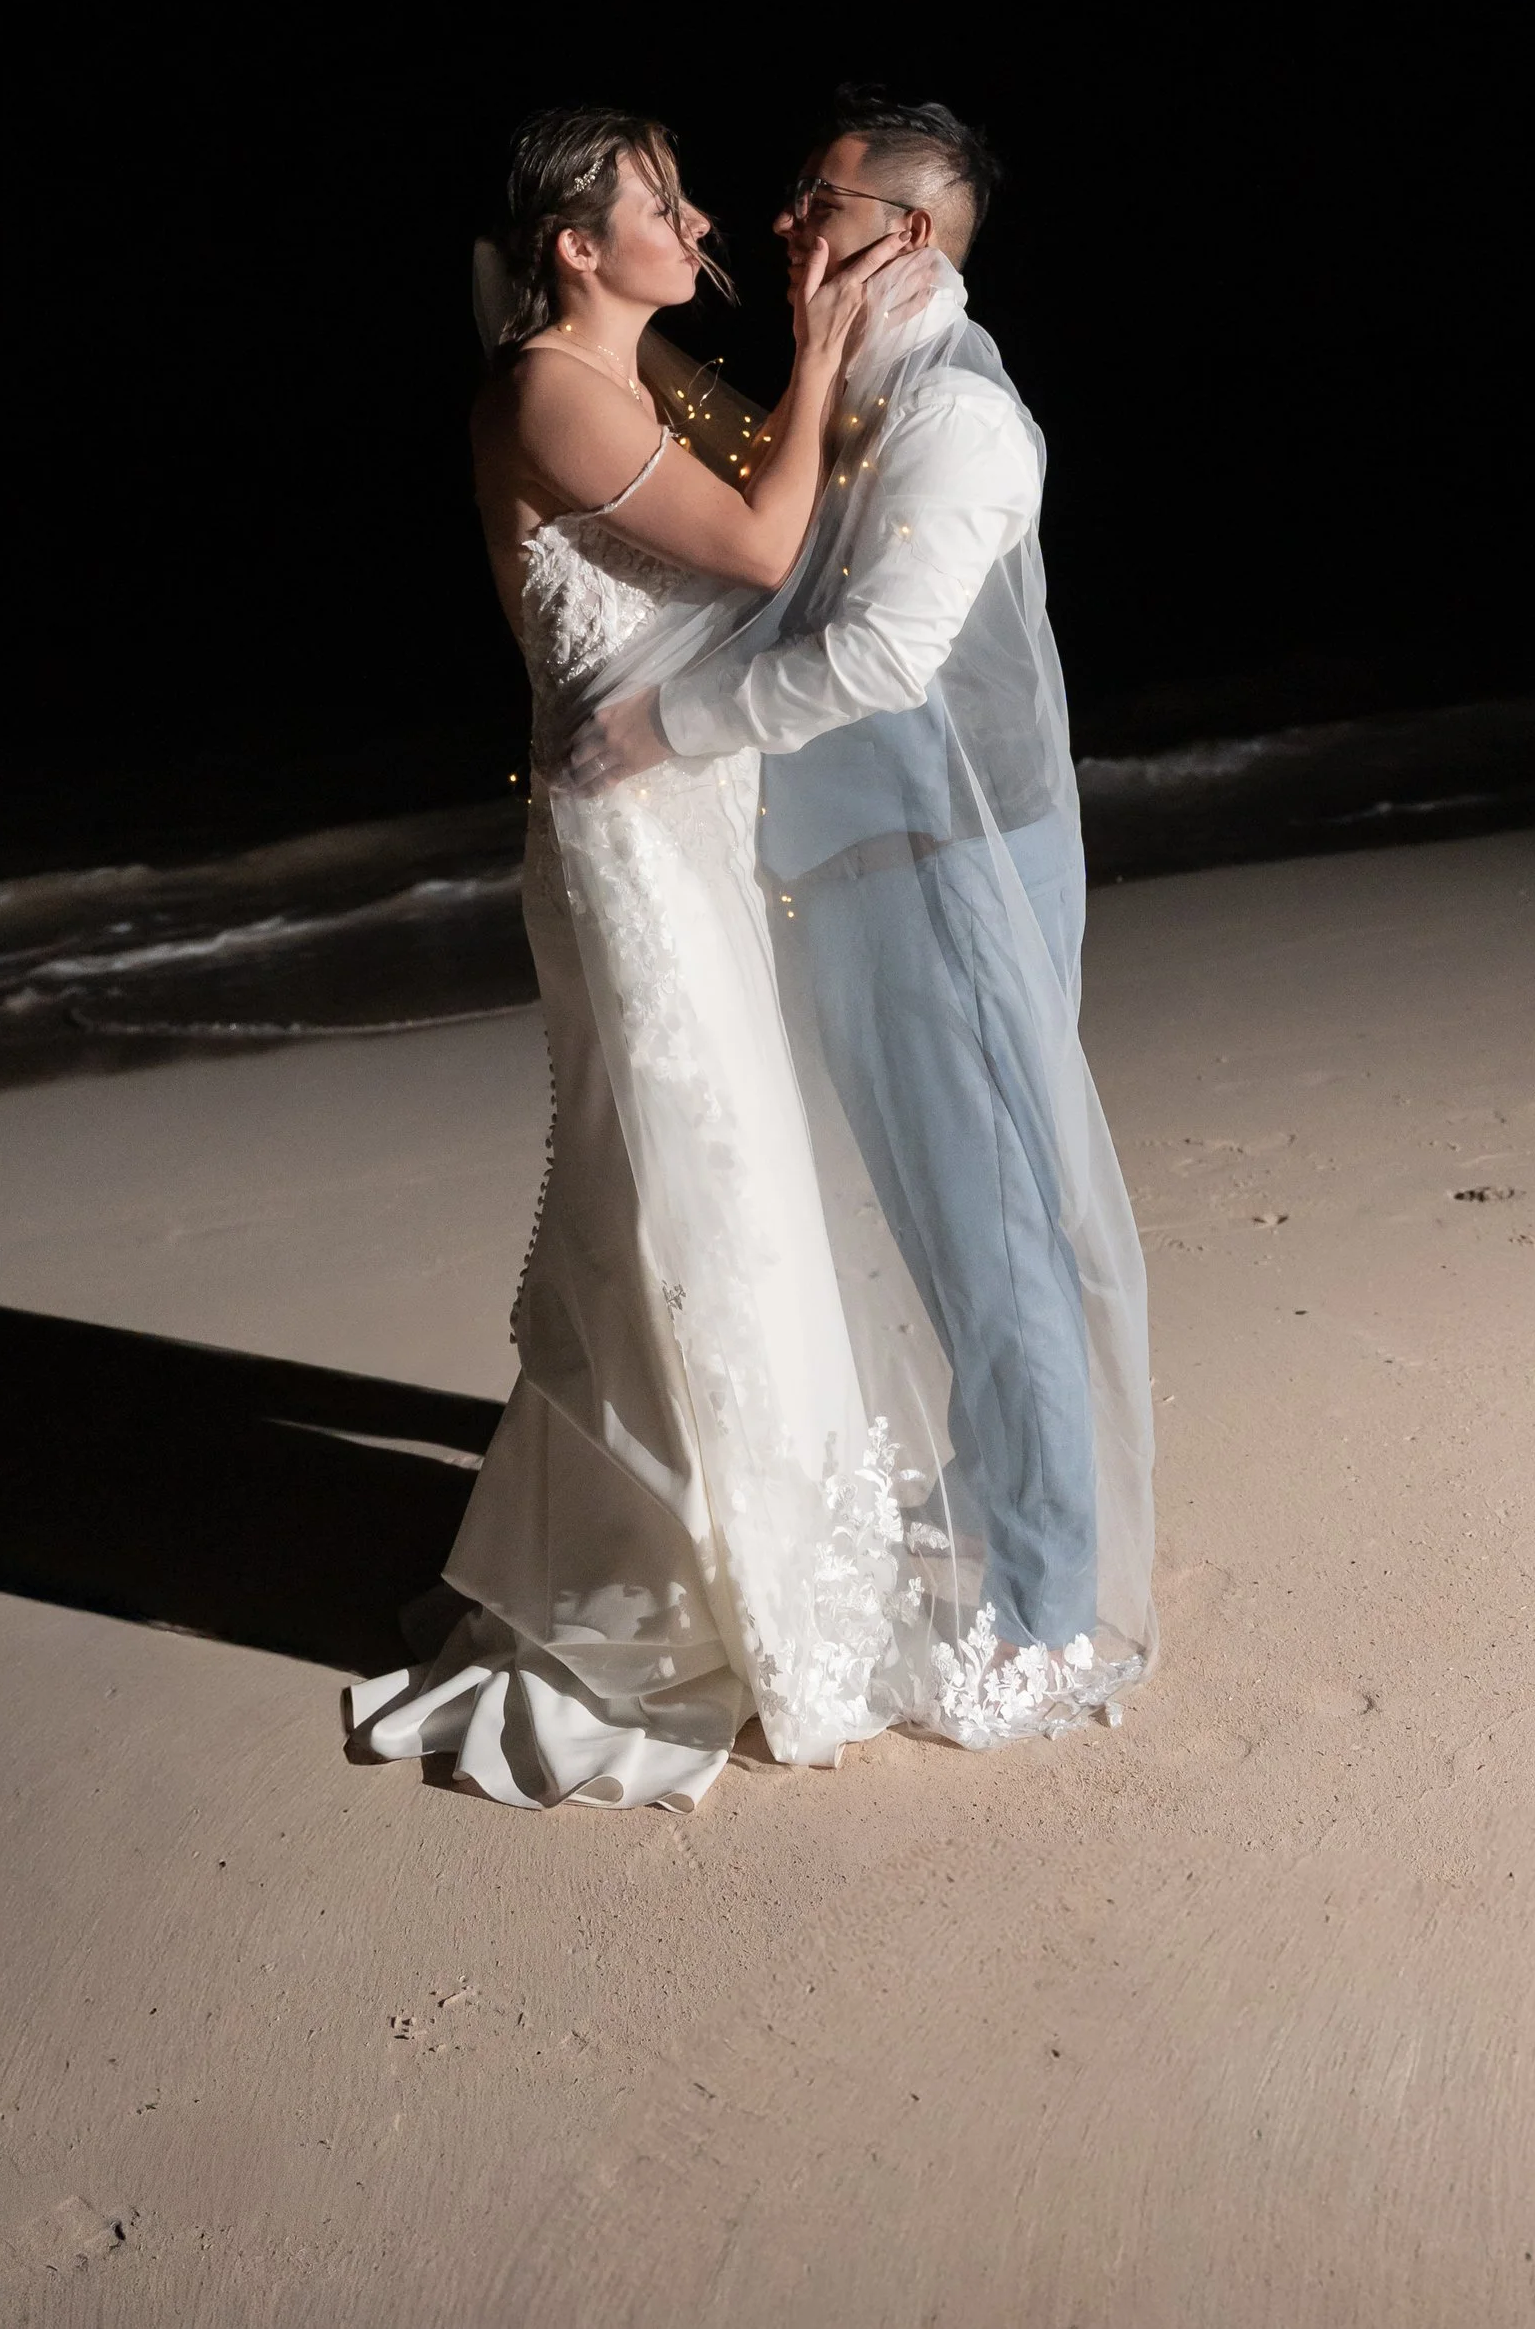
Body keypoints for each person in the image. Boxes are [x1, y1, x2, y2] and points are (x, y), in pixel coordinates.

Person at [349, 108, 921, 1809]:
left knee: (709, 1176)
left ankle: (731, 1547)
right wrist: (814, 345)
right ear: (577, 249)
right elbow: (760, 543)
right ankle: (677, 1582)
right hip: (627, 861)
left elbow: (812, 513)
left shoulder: (642, 377)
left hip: (687, 835)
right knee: (692, 1182)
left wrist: (847, 351)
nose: (693, 223)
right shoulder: (547, 386)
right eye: (655, 206)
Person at [569, 92, 1152, 1694]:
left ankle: (1045, 1606)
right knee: (937, 1200)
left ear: (898, 234)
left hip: (959, 868)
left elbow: (885, 653)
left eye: (812, 203)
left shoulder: (961, 417)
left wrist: (672, 725)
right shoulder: (866, 378)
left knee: (997, 1227)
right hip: (884, 858)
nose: (781, 223)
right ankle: (1004, 1496)